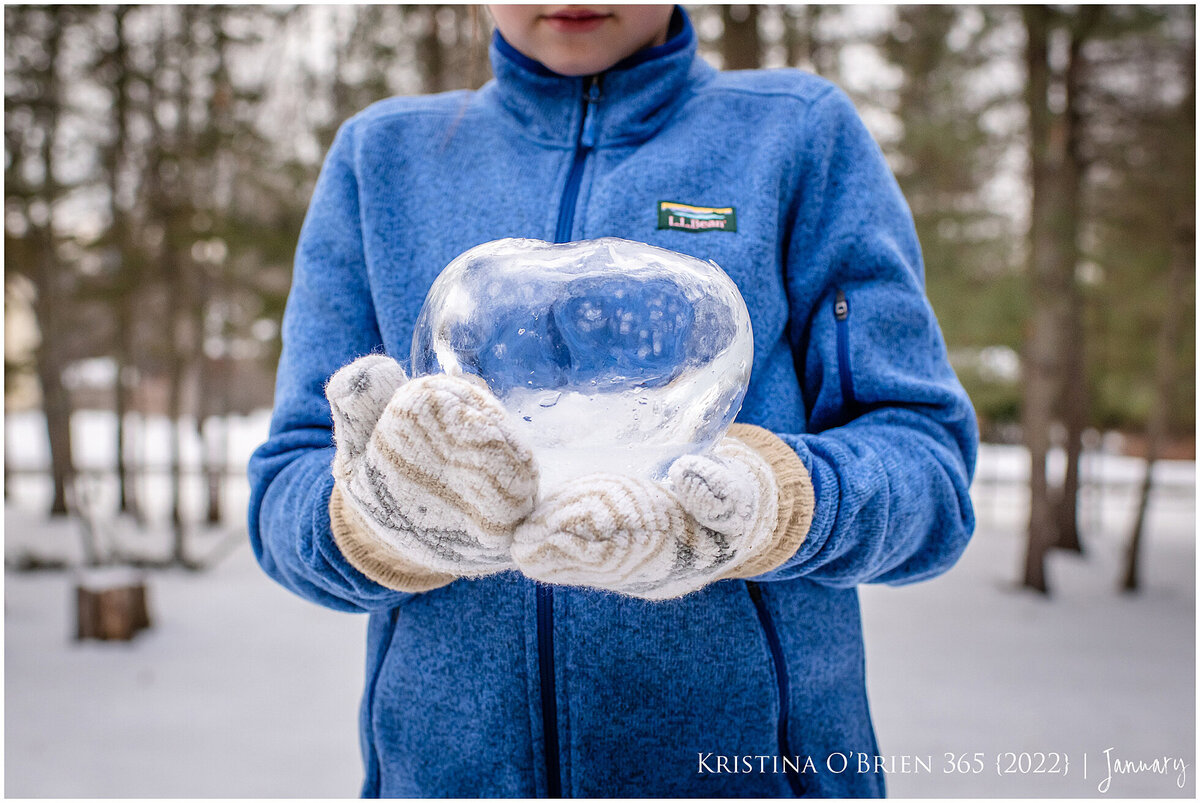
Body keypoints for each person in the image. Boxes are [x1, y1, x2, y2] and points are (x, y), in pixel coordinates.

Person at [247, 4, 978, 798]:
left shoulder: (799, 137)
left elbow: (928, 472)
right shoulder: (381, 159)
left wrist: (777, 504)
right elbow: (287, 488)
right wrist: (377, 520)